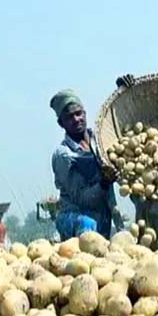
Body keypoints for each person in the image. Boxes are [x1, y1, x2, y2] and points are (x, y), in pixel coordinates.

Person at [50, 89, 120, 240]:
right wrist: (104, 183)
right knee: (86, 224)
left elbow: (122, 135)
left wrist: (126, 89)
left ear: (85, 114)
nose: (76, 119)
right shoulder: (64, 155)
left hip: (103, 215)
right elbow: (81, 199)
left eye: (78, 113)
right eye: (69, 117)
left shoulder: (100, 140)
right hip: (76, 218)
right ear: (61, 123)